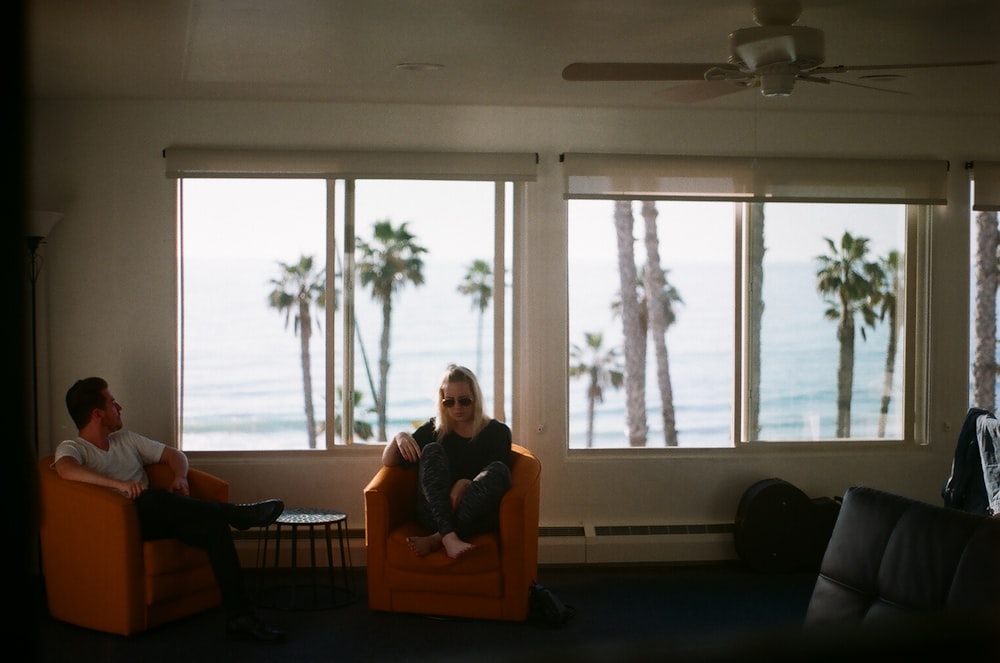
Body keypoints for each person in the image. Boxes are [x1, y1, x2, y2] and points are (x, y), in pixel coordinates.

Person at [53, 377, 287, 644]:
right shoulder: (73, 448)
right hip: (121, 529)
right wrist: (118, 485)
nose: (120, 407)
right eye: (112, 402)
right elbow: (65, 469)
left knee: (213, 529)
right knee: (150, 499)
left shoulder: (127, 440)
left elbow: (175, 455)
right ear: (98, 414)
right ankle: (236, 514)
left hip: (158, 516)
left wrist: (181, 477)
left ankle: (240, 618)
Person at [382, 364, 512, 559]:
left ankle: (438, 538)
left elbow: (498, 481)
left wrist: (466, 484)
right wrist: (399, 437)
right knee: (432, 450)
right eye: (449, 402)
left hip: (474, 513)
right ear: (442, 402)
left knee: (499, 470)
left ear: (476, 399)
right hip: (435, 512)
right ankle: (448, 535)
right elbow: (389, 462)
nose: (457, 407)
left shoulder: (498, 432)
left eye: (464, 401)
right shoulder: (434, 430)